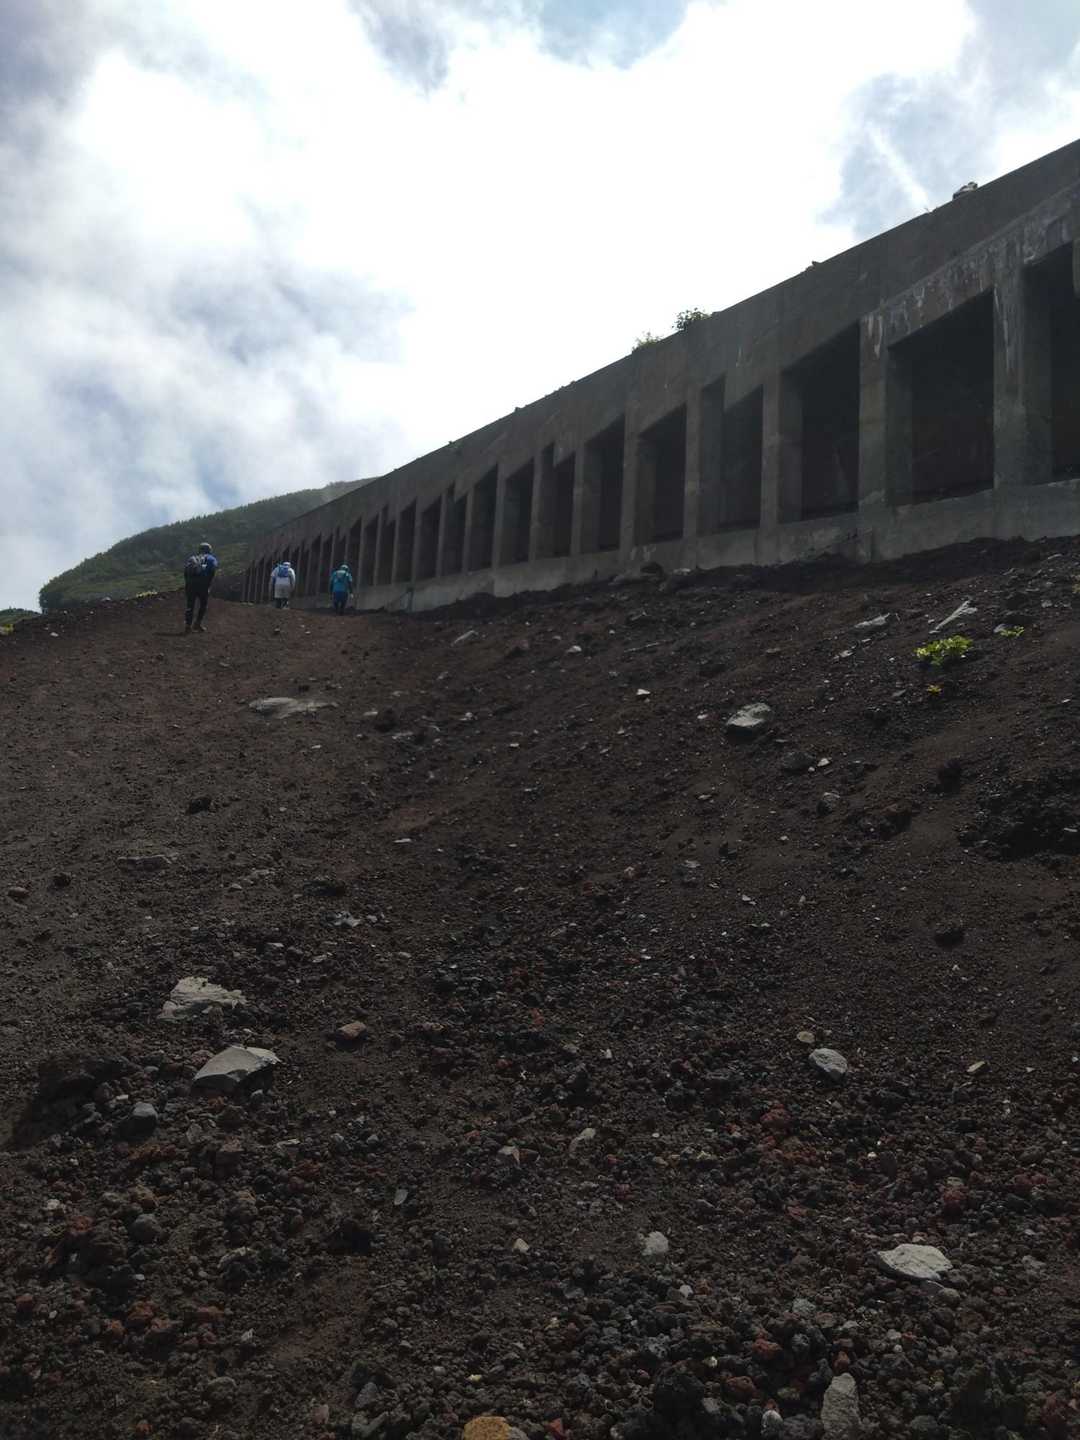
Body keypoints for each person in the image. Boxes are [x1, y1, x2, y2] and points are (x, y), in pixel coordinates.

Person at [183, 542, 218, 633]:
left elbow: (185, 572)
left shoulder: (192, 558)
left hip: (190, 585)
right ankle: (197, 624)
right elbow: (212, 572)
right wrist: (208, 585)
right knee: (203, 605)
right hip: (203, 585)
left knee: (190, 605)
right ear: (209, 550)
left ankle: (187, 626)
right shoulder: (211, 559)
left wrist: (188, 584)